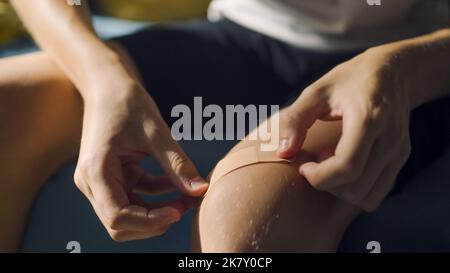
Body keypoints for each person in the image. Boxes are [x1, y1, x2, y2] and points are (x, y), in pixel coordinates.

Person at [0, 0, 449, 252]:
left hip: (418, 56)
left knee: (243, 225)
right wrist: (103, 79)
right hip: (245, 34)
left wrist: (403, 71)